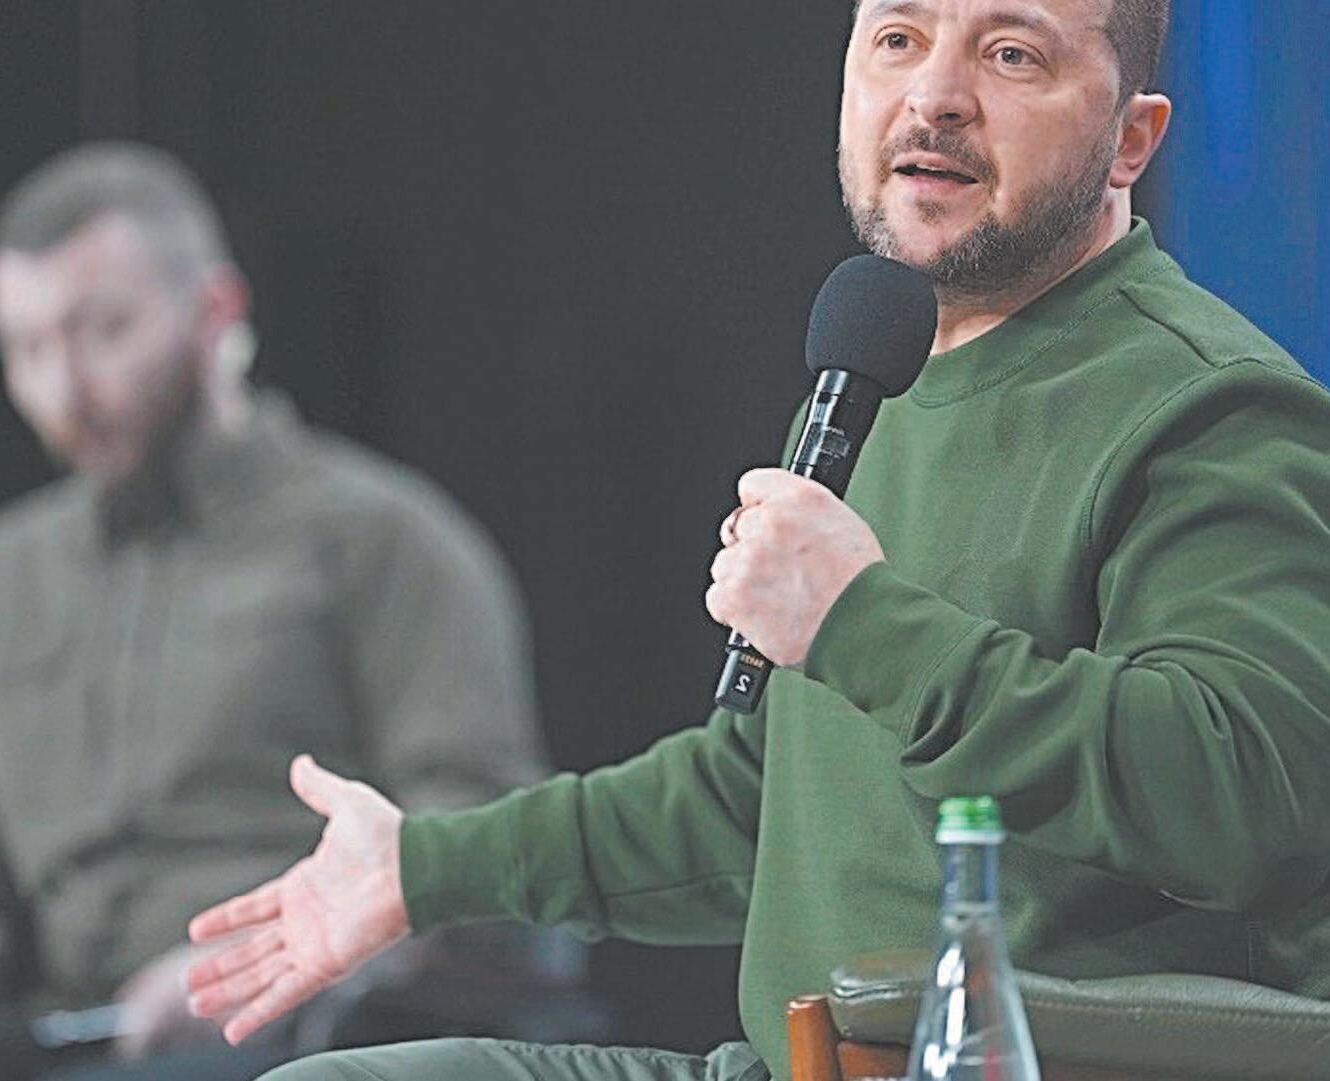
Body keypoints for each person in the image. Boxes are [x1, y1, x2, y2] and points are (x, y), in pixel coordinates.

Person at [188, 2, 1330, 1078]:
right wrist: (420, 868)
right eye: (897, 38)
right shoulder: (877, 381)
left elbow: (1243, 793)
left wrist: (861, 623)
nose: (933, 95)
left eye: (1010, 54)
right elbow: (760, 802)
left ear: (1131, 140)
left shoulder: (1211, 407)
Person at [0, 143, 551, 1080]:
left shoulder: (379, 542)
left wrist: (274, 959)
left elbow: (485, 844)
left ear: (215, 309)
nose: (62, 391)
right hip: (47, 1036)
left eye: (104, 332)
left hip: (296, 1034)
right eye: (24, 348)